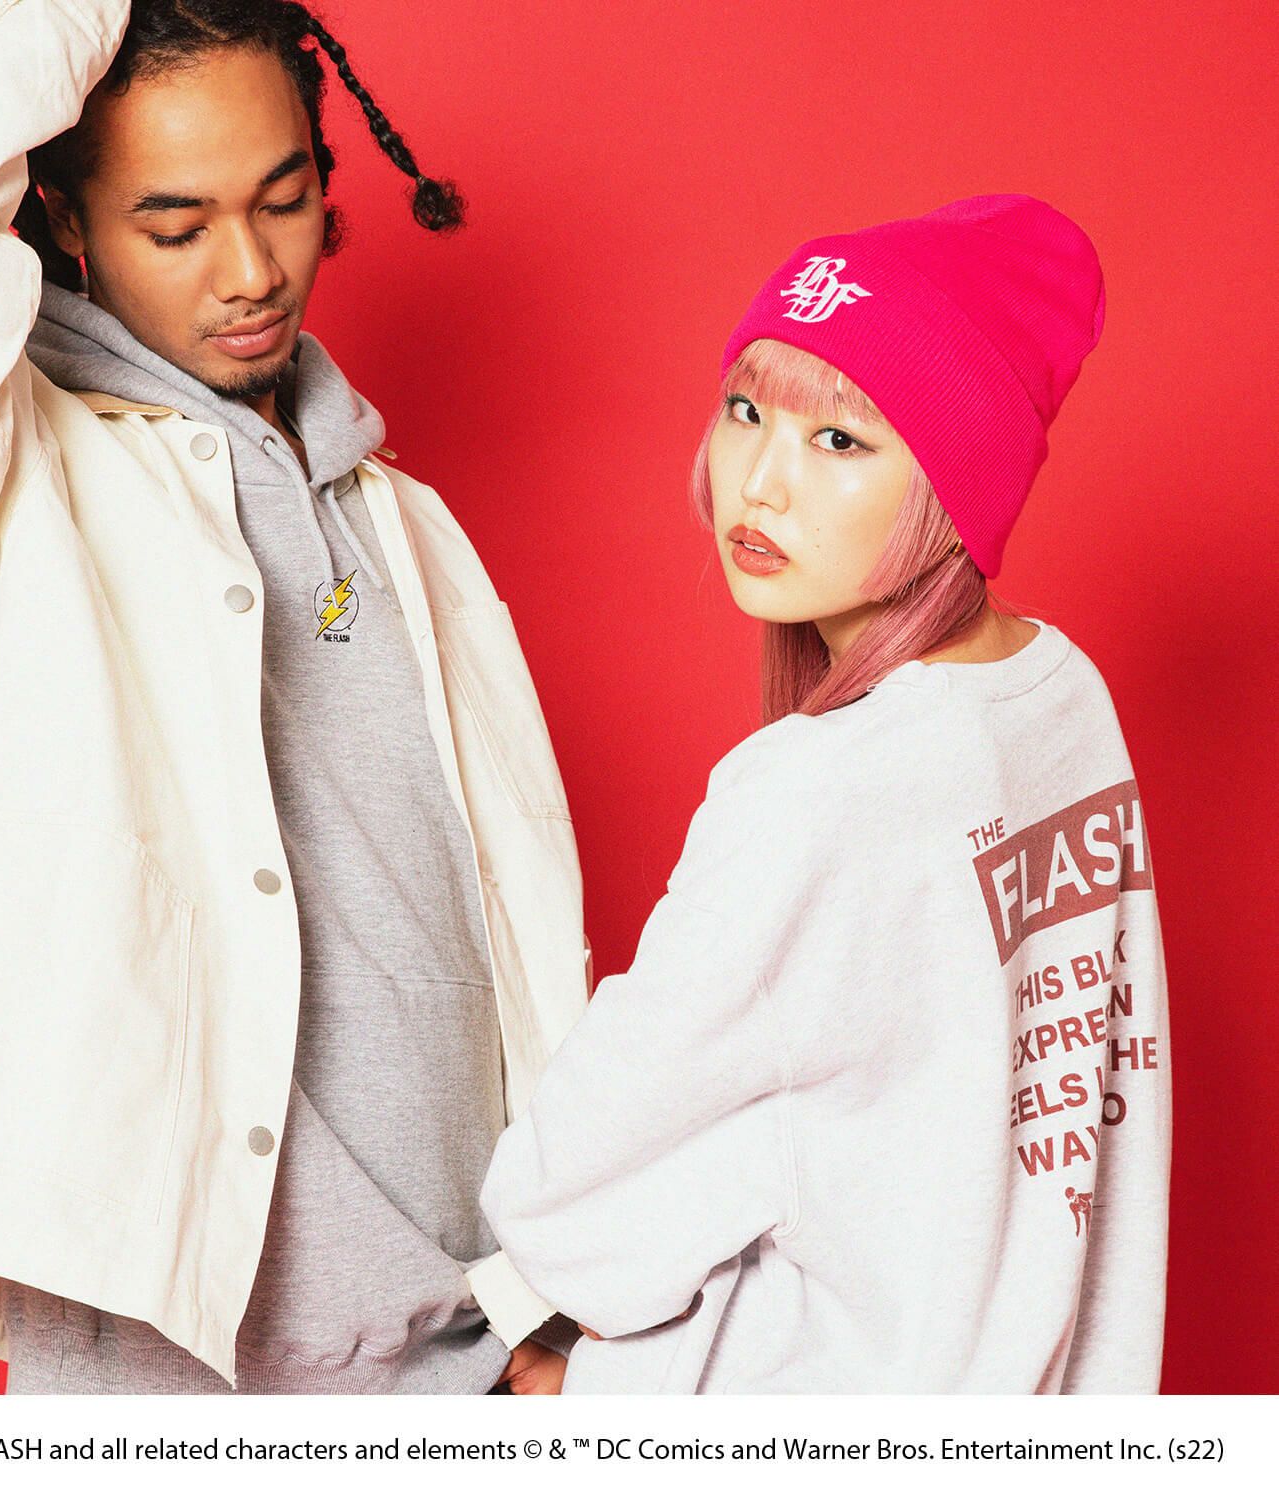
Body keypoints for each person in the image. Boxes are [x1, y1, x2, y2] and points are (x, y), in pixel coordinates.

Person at [0, 0, 589, 1394]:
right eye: (176, 226)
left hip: (469, 1350)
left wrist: (556, 1301)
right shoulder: (3, 477)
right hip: (172, 1364)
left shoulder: (408, 523)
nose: (251, 272)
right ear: (67, 222)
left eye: (284, 201)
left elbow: (512, 951)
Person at [479, 194, 1173, 1394]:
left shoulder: (815, 791)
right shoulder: (1063, 696)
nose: (759, 482)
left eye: (840, 441)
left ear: (958, 484)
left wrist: (576, 1333)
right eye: (747, 411)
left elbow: (566, 1191)